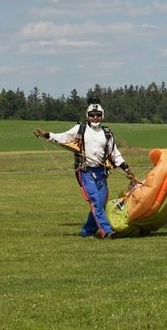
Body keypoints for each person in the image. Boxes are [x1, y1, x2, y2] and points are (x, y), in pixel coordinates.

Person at [35, 100, 135, 238]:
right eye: (92, 114)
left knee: (100, 203)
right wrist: (48, 135)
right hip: (85, 171)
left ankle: (87, 231)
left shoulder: (107, 133)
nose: (95, 117)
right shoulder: (80, 129)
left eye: (98, 115)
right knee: (95, 200)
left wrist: (126, 169)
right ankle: (107, 231)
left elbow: (114, 154)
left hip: (101, 172)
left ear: (102, 115)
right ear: (87, 115)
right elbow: (64, 137)